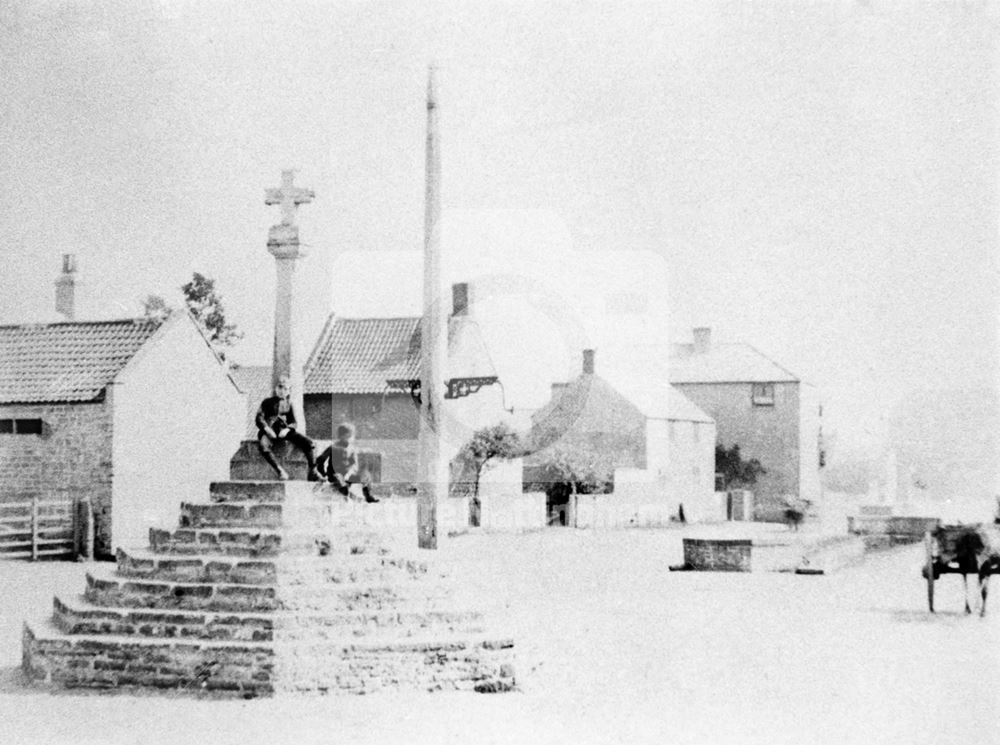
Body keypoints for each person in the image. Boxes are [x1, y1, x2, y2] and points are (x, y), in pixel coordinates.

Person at [255, 376, 320, 481]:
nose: (282, 391)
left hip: (283, 431)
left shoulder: (289, 404)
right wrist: (267, 429)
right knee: (263, 446)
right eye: (280, 387)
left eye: (285, 389)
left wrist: (287, 429)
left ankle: (313, 472)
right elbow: (259, 418)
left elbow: (294, 422)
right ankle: (280, 470)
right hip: (269, 430)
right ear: (276, 389)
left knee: (310, 443)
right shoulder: (267, 402)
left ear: (289, 391)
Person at [317, 423, 378, 502]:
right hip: (336, 474)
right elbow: (320, 460)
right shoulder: (333, 447)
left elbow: (354, 464)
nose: (350, 439)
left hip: (348, 473)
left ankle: (368, 496)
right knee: (339, 478)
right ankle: (349, 495)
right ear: (341, 436)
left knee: (365, 476)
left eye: (351, 437)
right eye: (347, 437)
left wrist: (349, 473)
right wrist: (323, 473)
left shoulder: (352, 449)